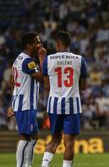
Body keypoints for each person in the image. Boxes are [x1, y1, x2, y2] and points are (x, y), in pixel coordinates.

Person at [40, 32, 87, 167]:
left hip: (54, 105)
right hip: (72, 105)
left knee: (55, 139)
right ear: (68, 44)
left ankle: (44, 165)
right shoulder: (80, 60)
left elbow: (47, 86)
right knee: (69, 142)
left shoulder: (48, 60)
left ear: (58, 44)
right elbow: (83, 87)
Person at [8, 32, 46, 167]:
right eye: (36, 42)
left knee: (34, 137)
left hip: (23, 104)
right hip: (25, 104)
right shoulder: (27, 61)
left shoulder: (18, 59)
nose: (39, 45)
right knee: (25, 137)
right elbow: (42, 79)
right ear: (28, 45)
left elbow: (12, 81)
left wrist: (11, 104)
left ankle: (27, 165)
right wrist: (42, 59)